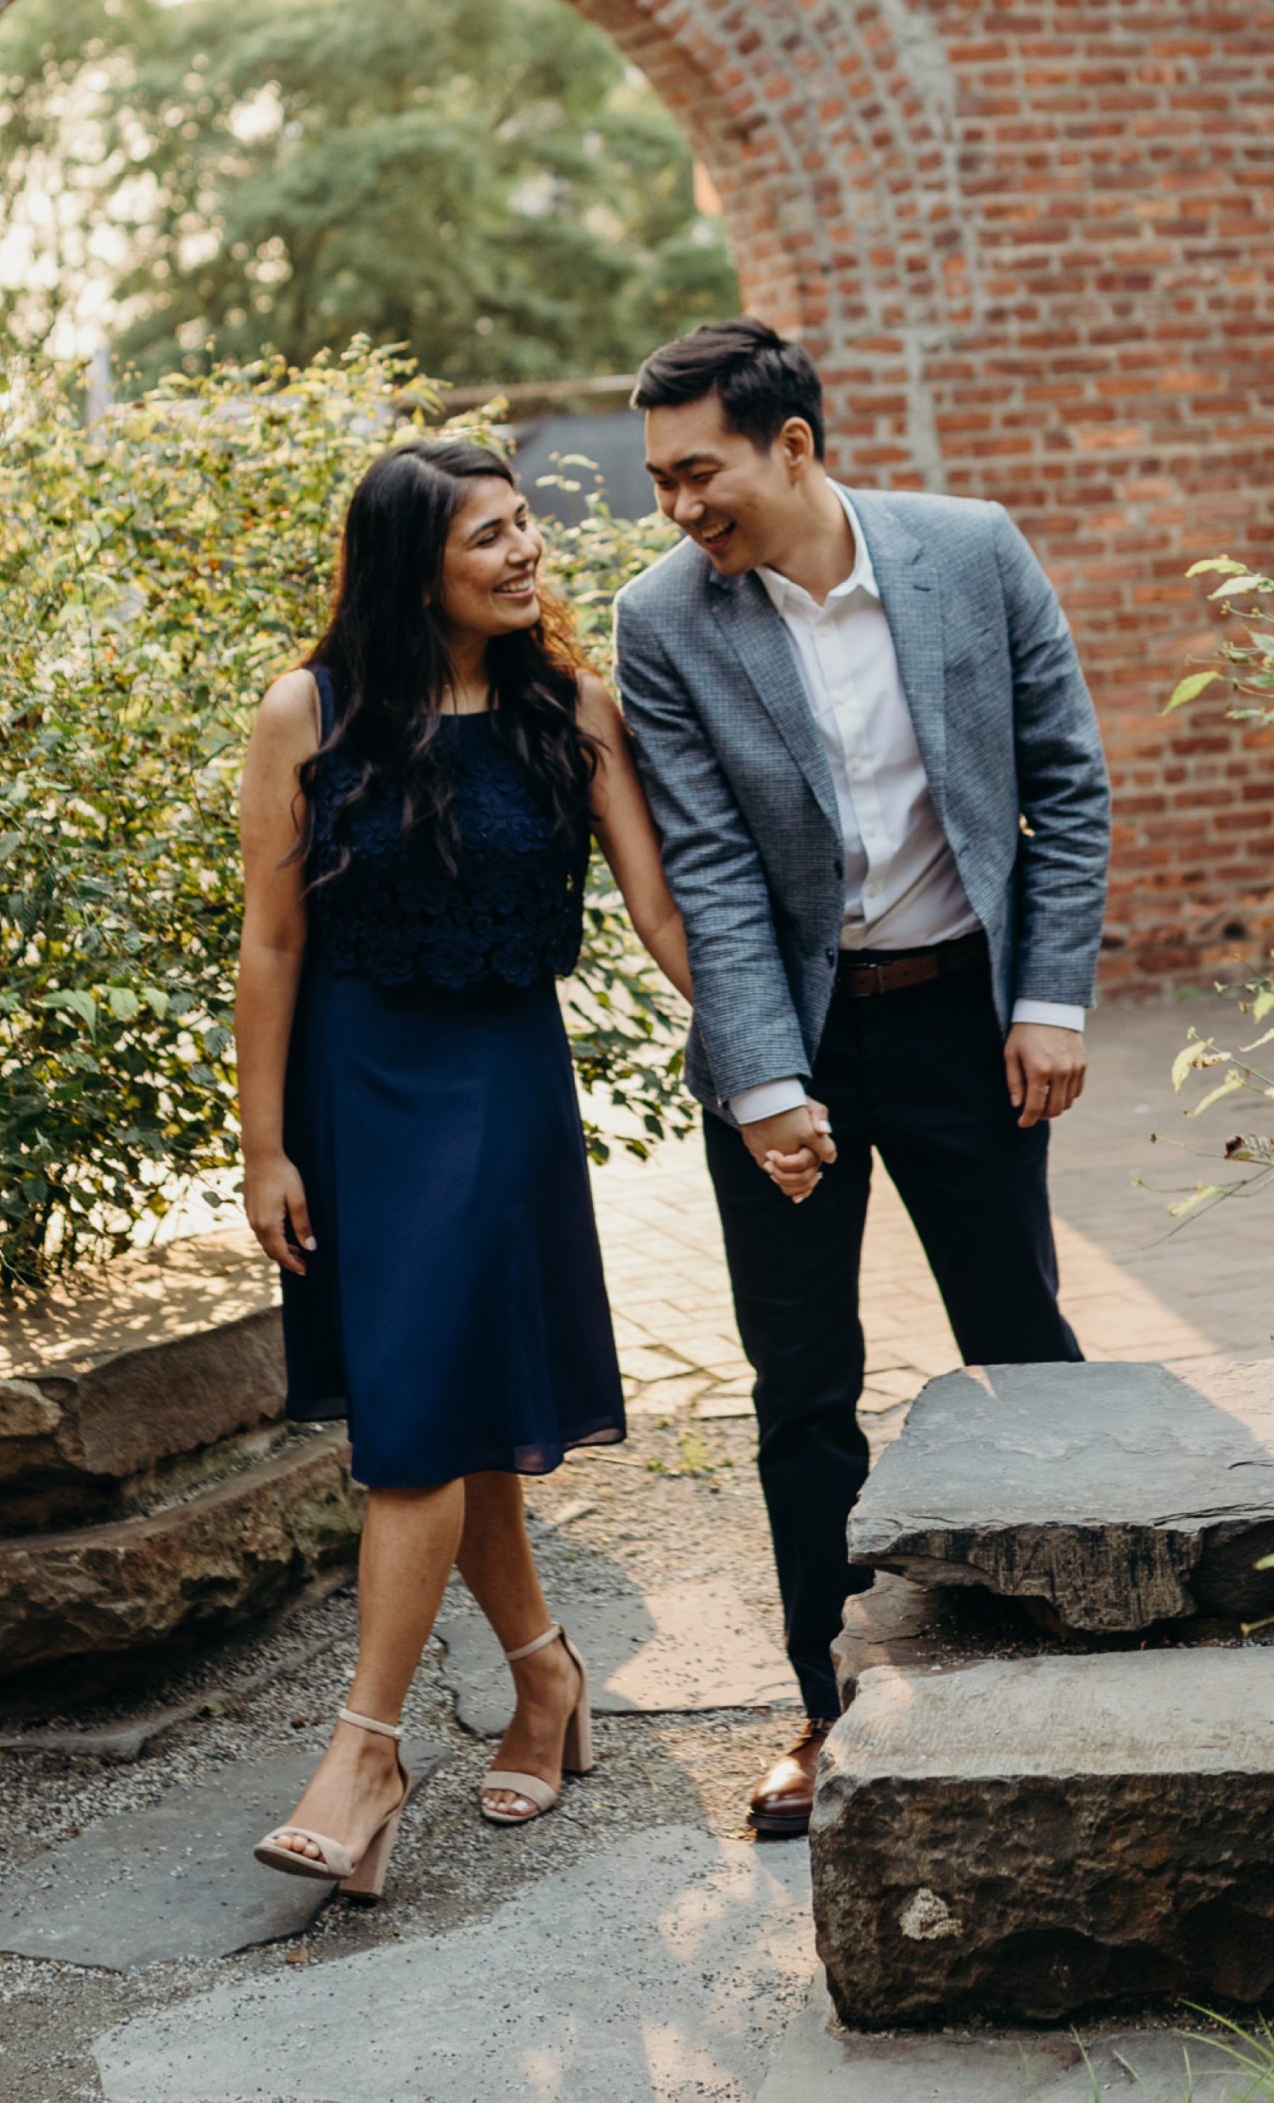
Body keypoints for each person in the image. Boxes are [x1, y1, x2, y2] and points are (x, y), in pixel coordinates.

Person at [235, 438, 795, 1899]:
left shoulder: (573, 711)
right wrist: (263, 1147)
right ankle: (545, 1681)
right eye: (489, 535)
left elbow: (666, 916)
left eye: (525, 525)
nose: (526, 552)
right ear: (413, 561)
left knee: (418, 1413)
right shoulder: (310, 710)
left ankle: (365, 1756)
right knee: (457, 1409)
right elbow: (273, 942)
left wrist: (768, 1071)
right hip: (353, 1095)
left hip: (497, 1094)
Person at [614, 319, 1111, 1837]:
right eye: (658, 481)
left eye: (698, 473)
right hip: (792, 1031)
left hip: (971, 1016)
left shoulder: (971, 550)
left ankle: (1088, 1644)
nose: (678, 507)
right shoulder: (664, 618)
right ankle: (828, 1707)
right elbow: (703, 863)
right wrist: (761, 1081)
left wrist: (1048, 1000)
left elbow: (1066, 785)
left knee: (1019, 1337)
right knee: (803, 1385)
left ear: (794, 447)